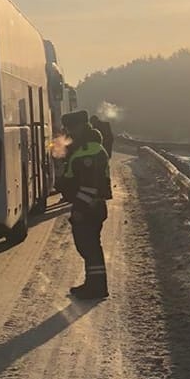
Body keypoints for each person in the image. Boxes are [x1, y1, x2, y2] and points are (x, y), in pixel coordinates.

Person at [58, 110, 112, 299]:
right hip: (90, 205)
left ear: (81, 126)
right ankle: (94, 284)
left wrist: (79, 209)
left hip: (89, 206)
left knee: (89, 247)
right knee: (88, 247)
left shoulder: (89, 151)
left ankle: (96, 288)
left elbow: (90, 186)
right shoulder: (84, 148)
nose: (69, 132)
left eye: (71, 128)